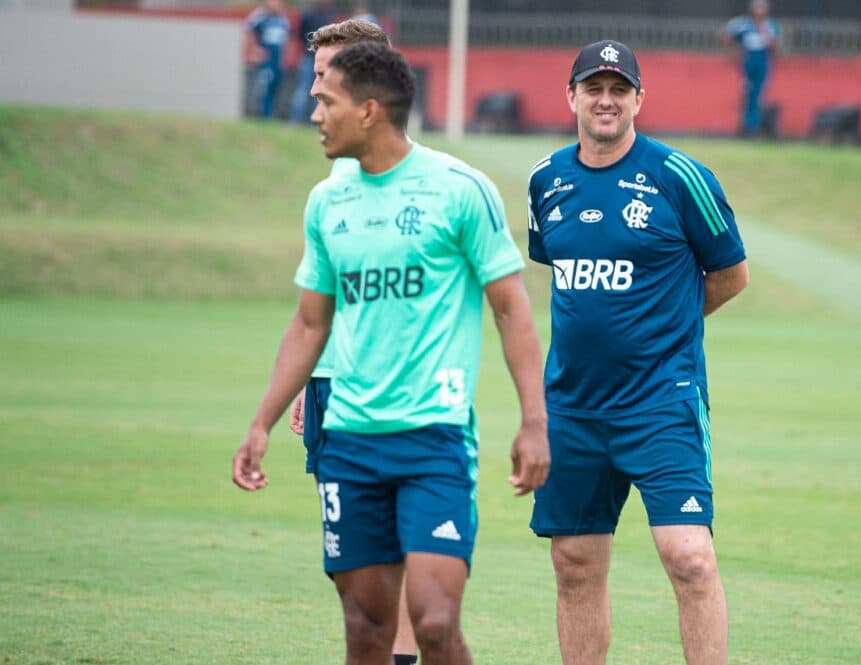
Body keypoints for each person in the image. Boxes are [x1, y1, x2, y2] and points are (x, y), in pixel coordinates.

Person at [232, 42, 549, 665]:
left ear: (370, 110)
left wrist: (534, 421)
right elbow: (308, 325)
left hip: (434, 437)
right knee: (366, 628)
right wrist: (260, 423)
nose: (315, 113)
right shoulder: (328, 201)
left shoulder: (461, 190)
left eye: (326, 101)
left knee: (433, 623)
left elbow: (512, 308)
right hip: (350, 441)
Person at [527, 39, 749, 665]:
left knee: (690, 556)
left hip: (660, 402)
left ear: (638, 100)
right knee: (573, 563)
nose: (605, 100)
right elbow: (554, 265)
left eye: (618, 90)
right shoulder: (546, 180)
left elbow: (731, 273)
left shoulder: (680, 177)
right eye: (593, 89)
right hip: (573, 405)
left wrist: (666, 327)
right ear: (570, 96)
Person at [286, 18, 419, 664]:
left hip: (396, 389)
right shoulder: (326, 191)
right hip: (329, 388)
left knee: (401, 555)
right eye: (317, 78)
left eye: (331, 80)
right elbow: (317, 306)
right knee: (350, 565)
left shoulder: (424, 185)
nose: (319, 93)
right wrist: (299, 382)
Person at [719, 0, 780, 137]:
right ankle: (746, 126)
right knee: (747, 94)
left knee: (757, 95)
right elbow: (725, 35)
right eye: (757, 7)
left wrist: (769, 40)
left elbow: (776, 46)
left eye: (763, 7)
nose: (760, 10)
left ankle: (752, 127)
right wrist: (735, 51)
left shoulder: (770, 25)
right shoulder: (742, 24)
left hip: (763, 64)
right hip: (747, 64)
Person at [288, 0, 335, 124]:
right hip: (308, 58)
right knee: (303, 90)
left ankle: (314, 121)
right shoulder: (308, 15)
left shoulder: (328, 16)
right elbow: (299, 36)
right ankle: (296, 121)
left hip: (323, 61)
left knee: (318, 92)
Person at [245, 0, 291, 118]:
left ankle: (270, 116)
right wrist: (253, 51)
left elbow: (287, 41)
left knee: (275, 89)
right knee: (263, 89)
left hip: (278, 63)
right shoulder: (260, 17)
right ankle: (261, 116)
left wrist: (286, 58)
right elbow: (247, 31)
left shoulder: (283, 20)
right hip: (266, 62)